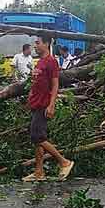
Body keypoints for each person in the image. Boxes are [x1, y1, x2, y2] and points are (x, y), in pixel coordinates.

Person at [23, 34, 74, 182]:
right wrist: (30, 98)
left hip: (43, 105)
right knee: (38, 139)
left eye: (38, 43)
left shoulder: (51, 62)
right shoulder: (39, 62)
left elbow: (55, 84)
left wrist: (51, 105)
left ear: (46, 44)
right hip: (35, 103)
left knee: (37, 136)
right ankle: (39, 172)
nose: (35, 46)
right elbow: (35, 83)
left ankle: (64, 162)